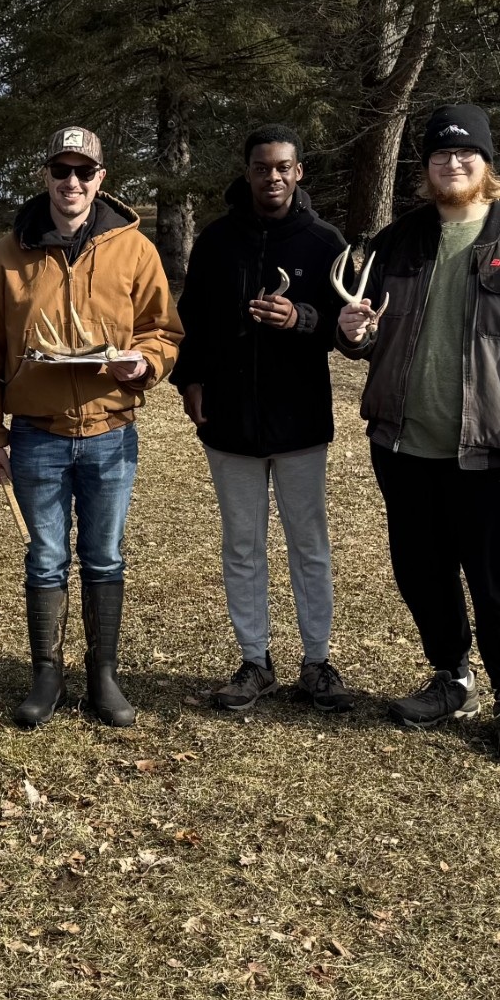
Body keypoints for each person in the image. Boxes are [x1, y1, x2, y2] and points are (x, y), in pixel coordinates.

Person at [337, 104, 500, 763]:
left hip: (493, 451)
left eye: (466, 155)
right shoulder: (398, 241)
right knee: (420, 571)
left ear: (487, 164)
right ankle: (451, 675)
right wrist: (352, 332)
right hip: (404, 444)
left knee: (499, 578)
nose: (453, 165)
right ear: (425, 168)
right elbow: (366, 330)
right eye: (441, 156)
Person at [0, 126, 182, 729]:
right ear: (47, 178)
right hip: (37, 433)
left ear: (100, 180)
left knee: (104, 555)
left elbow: (162, 332)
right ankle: (46, 672)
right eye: (61, 171)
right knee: (45, 557)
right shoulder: (8, 256)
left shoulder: (134, 249)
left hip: (111, 430)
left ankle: (103, 674)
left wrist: (146, 363)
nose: (72, 183)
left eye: (83, 172)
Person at [176, 126, 350, 713]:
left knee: (309, 543)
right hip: (228, 419)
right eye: (261, 168)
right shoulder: (217, 241)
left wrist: (299, 317)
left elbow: (347, 331)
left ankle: (317, 662)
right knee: (243, 545)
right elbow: (192, 318)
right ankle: (255, 660)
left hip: (299, 420)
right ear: (246, 172)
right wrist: (190, 380)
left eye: (282, 168)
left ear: (298, 172)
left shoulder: (325, 242)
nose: (271, 178)